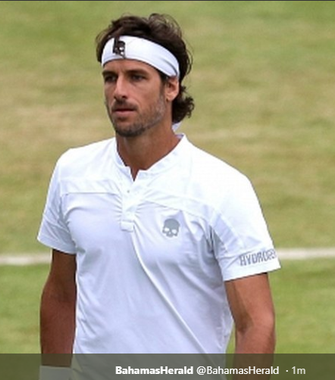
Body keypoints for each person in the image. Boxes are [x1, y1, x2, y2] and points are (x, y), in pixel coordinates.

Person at [37, 13, 280, 379]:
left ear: (171, 87)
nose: (119, 90)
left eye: (136, 77)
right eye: (110, 77)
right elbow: (60, 292)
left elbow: (256, 323)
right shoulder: (73, 172)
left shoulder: (222, 188)